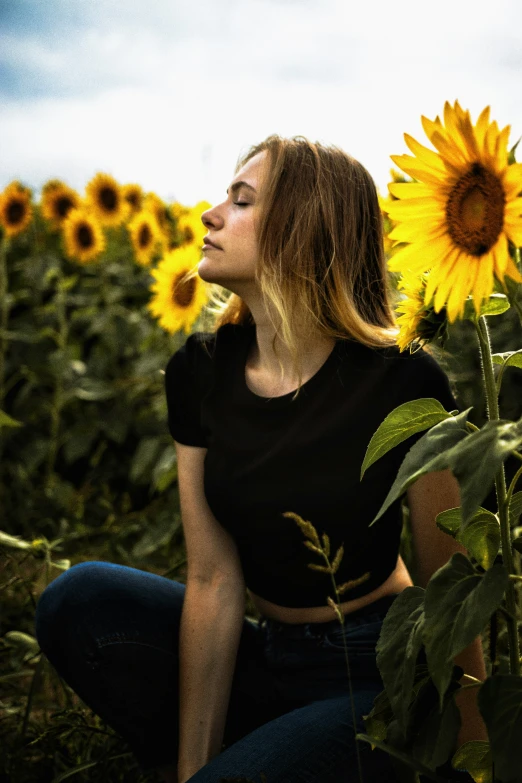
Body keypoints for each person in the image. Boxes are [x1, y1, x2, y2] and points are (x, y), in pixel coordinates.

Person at [34, 135, 486, 783]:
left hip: (375, 667)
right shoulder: (199, 372)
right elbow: (214, 580)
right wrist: (195, 766)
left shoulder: (403, 382)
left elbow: (453, 591)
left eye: (240, 200)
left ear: (304, 229)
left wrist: (469, 758)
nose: (210, 215)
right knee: (78, 601)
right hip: (266, 655)